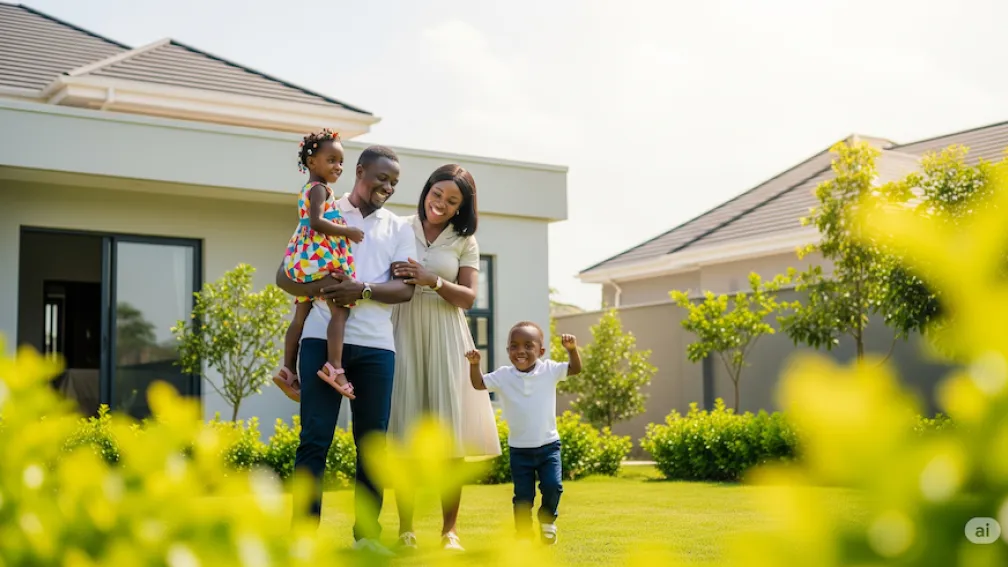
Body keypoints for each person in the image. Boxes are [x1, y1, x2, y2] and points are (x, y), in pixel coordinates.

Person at [274, 145, 415, 556]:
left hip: (376, 347)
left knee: (372, 443)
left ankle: (368, 537)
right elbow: (285, 276)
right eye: (381, 178)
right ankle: (302, 539)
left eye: (394, 182)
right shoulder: (324, 208)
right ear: (359, 172)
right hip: (321, 338)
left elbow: (405, 290)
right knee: (314, 439)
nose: (387, 187)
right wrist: (323, 289)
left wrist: (363, 289)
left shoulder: (399, 227)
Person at [387, 164, 501, 552]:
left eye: (452, 201)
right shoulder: (399, 226)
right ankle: (405, 529)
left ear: (461, 208)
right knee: (405, 429)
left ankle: (449, 531)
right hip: (401, 328)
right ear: (426, 191)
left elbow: (469, 298)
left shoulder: (465, 241)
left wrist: (432, 280)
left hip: (446, 332)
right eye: (438, 195)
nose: (441, 205)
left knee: (449, 435)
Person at [466, 322, 581, 545]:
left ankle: (547, 521)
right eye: (514, 346)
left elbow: (575, 369)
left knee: (553, 486)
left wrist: (572, 349)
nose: (521, 351)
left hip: (549, 446)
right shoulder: (503, 376)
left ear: (541, 351)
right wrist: (475, 364)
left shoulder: (549, 370)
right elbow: (479, 383)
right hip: (520, 449)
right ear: (508, 351)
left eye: (528, 345)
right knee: (523, 497)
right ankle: (523, 532)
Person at [273, 128, 361, 403]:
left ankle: (288, 369)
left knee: (300, 315)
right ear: (313, 163)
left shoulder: (308, 189)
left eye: (340, 161)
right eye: (332, 160)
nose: (338, 166)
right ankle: (334, 367)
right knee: (340, 310)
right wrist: (348, 232)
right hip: (317, 261)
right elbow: (316, 222)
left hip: (301, 261)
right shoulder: (320, 189)